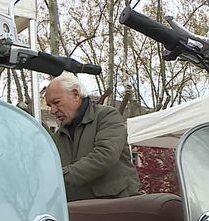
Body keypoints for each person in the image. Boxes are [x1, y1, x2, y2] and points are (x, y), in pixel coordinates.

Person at [45, 72, 140, 201]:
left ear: (75, 94)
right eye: (50, 106)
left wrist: (59, 176)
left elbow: (105, 156)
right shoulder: (58, 136)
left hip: (117, 206)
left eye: (56, 102)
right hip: (78, 212)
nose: (53, 111)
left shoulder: (107, 116)